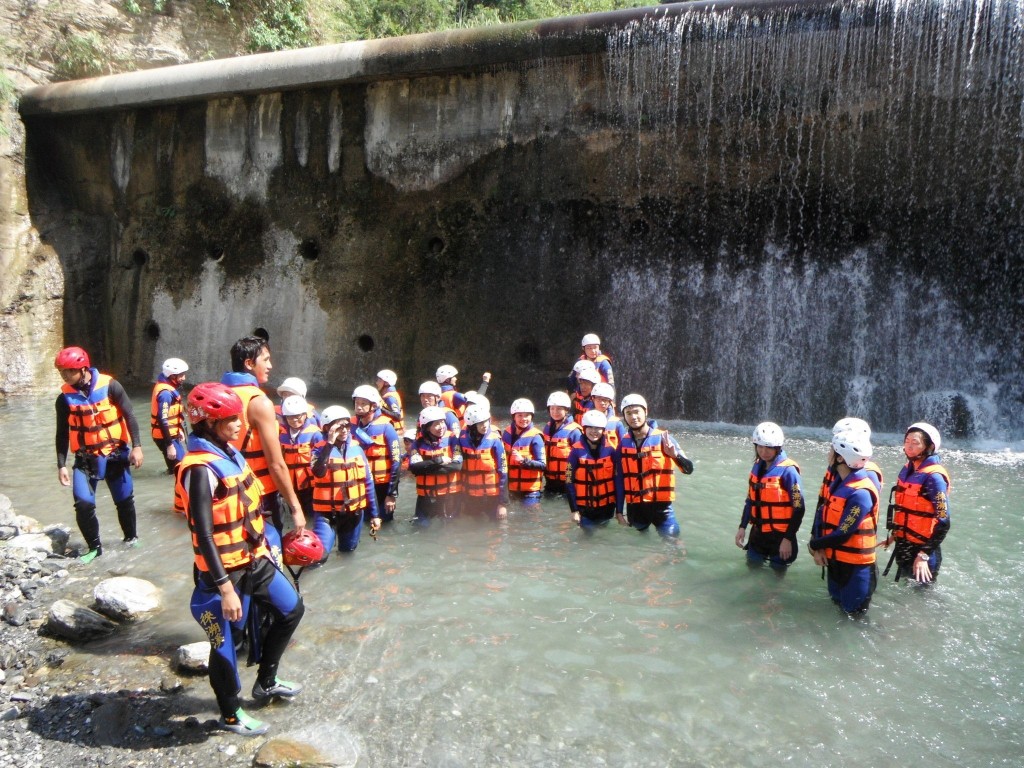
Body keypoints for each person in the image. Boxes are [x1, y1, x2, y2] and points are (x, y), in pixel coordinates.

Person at [176, 382, 304, 737]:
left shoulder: (230, 453)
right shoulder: (199, 469)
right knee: (225, 644)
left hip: (254, 562)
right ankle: (230, 714)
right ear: (207, 423)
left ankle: (266, 680)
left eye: (237, 417)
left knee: (291, 609)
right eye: (229, 419)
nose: (238, 423)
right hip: (223, 577)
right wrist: (224, 589)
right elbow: (202, 535)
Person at [54, 346, 143, 562]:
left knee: (124, 501)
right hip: (86, 459)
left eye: (69, 371)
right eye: (62, 371)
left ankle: (131, 540)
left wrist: (137, 447)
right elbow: (62, 433)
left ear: (83, 368)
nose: (65, 375)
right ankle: (94, 548)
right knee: (83, 503)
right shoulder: (64, 398)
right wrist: (61, 465)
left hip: (115, 455)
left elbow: (129, 415)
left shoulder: (111, 386)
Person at [221, 337, 306, 559]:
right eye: (266, 360)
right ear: (249, 363)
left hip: (224, 495)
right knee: (268, 565)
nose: (270, 366)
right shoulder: (260, 403)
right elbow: (276, 465)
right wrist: (296, 509)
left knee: (236, 560)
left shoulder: (218, 395)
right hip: (260, 498)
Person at [808, 430, 879, 615]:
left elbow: (843, 533)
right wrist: (820, 546)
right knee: (839, 612)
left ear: (841, 459)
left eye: (832, 451)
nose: (828, 453)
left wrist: (814, 545)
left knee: (855, 619)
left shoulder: (860, 493)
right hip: (837, 563)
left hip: (857, 570)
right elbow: (821, 514)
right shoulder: (839, 483)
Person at [616, 394, 694, 537]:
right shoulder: (623, 444)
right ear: (624, 417)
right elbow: (620, 480)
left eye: (636, 412)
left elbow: (689, 469)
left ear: (646, 412)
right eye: (628, 413)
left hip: (662, 510)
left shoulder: (664, 439)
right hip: (635, 510)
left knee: (673, 546)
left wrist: (674, 455)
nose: (633, 417)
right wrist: (619, 512)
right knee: (640, 548)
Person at [883, 422, 951, 584]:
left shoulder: (934, 477)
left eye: (915, 443)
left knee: (923, 596)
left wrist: (923, 555)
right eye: (907, 442)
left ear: (929, 446)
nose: (909, 447)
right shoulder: (908, 469)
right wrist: (895, 535)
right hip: (904, 545)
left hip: (923, 552)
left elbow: (944, 523)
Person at [734, 422, 804, 570]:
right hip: (758, 536)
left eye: (768, 447)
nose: (763, 451)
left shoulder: (789, 471)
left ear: (777, 447)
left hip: (780, 538)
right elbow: (750, 501)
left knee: (775, 582)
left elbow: (799, 508)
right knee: (752, 570)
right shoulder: (757, 466)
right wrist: (742, 527)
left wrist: (788, 539)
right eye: (760, 446)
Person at [311, 406, 381, 553]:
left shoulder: (358, 449)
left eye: (347, 426)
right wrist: (329, 444)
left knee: (348, 553)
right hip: (326, 514)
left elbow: (368, 483)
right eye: (339, 427)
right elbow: (318, 472)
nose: (344, 430)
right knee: (319, 555)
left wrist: (375, 515)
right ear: (327, 428)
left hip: (353, 513)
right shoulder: (318, 449)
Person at [351, 384, 401, 523]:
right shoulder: (350, 425)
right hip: (358, 484)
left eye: (363, 404)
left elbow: (396, 461)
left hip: (381, 487)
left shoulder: (386, 427)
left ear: (373, 406)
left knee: (382, 523)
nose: (359, 407)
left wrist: (391, 494)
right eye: (357, 403)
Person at [566, 410, 623, 530]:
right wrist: (574, 510)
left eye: (597, 428)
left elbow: (618, 481)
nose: (594, 431)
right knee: (588, 535)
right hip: (585, 509)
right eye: (590, 428)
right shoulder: (575, 452)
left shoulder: (611, 451)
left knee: (603, 537)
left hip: (606, 508)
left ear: (603, 430)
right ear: (584, 428)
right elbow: (568, 480)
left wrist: (619, 511)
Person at [408, 406, 463, 526]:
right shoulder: (417, 444)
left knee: (449, 529)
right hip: (426, 497)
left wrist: (426, 468)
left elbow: (456, 466)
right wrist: (437, 461)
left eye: (442, 422)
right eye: (436, 424)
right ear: (427, 427)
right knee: (420, 527)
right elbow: (414, 468)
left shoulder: (453, 439)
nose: (441, 426)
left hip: (449, 496)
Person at [457, 403, 509, 520]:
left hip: (491, 498)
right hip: (469, 497)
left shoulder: (495, 441)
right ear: (471, 426)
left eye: (486, 421)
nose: (485, 425)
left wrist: (503, 504)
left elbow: (503, 472)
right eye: (480, 423)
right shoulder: (462, 439)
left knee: (498, 527)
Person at [278, 395, 323, 527]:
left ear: (305, 415)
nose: (294, 420)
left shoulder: (315, 433)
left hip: (310, 485)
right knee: (295, 515)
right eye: (290, 417)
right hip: (291, 485)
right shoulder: (281, 434)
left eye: (298, 416)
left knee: (311, 515)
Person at [502, 398, 547, 506]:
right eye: (520, 415)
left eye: (527, 415)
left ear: (531, 416)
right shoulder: (507, 433)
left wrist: (523, 461)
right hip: (511, 489)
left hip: (530, 492)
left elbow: (542, 465)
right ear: (514, 417)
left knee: (530, 517)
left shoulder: (536, 437)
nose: (524, 419)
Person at [150, 357, 188, 473]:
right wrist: (169, 445)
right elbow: (163, 420)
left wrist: (179, 429)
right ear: (172, 376)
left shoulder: (167, 388)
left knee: (177, 469)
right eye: (181, 375)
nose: (184, 378)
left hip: (170, 435)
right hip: (166, 438)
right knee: (180, 469)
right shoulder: (165, 394)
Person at [541, 392, 582, 495]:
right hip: (550, 481)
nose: (555, 412)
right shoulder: (547, 427)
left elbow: (581, 458)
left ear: (566, 410)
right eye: (552, 408)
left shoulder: (575, 431)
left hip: (568, 482)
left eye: (559, 409)